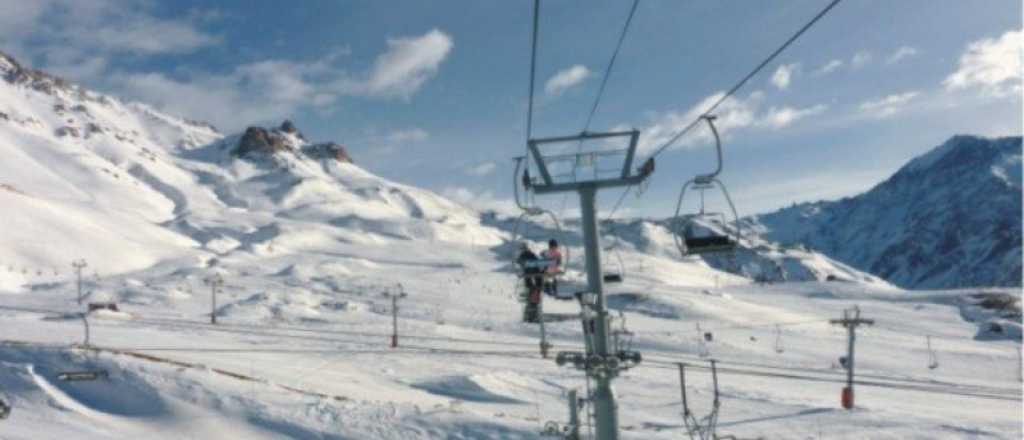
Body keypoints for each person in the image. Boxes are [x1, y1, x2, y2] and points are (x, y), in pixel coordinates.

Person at [516, 243, 543, 322]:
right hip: (535, 278)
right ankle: (532, 313)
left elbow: (520, 262)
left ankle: (531, 314)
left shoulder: (524, 255)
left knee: (532, 292)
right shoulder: (530, 254)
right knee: (534, 293)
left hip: (531, 278)